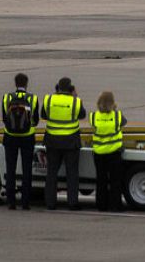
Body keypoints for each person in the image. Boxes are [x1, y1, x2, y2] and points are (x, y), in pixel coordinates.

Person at [41, 76, 86, 210]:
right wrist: (74, 96)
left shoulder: (49, 99)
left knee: (51, 173)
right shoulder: (75, 101)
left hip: (52, 141)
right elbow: (82, 115)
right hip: (70, 142)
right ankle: (72, 203)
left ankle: (50, 203)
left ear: (57, 87)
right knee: (72, 173)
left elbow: (43, 115)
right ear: (71, 88)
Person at [1, 73, 39, 210]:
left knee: (10, 169)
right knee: (26, 170)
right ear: (27, 83)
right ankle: (25, 202)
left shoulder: (7, 97)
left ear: (15, 83)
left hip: (10, 137)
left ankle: (11, 202)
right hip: (27, 138)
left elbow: (4, 119)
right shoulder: (33, 98)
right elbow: (35, 120)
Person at [89, 91, 128, 211]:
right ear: (113, 103)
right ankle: (115, 205)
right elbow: (124, 122)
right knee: (115, 180)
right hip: (113, 152)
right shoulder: (117, 116)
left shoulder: (94, 116)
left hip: (99, 153)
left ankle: (101, 205)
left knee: (101, 180)